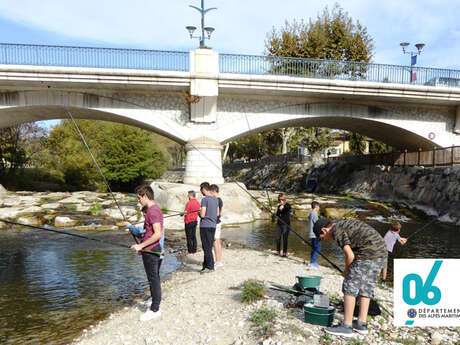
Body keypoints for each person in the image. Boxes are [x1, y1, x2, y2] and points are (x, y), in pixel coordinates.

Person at [314, 218, 387, 337]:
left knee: (349, 287)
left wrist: (346, 271)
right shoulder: (342, 224)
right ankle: (361, 324)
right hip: (380, 253)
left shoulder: (336, 230)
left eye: (322, 238)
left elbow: (350, 255)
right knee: (365, 288)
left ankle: (346, 326)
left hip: (367, 253)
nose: (324, 241)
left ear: (324, 230)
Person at [130, 185, 164, 321]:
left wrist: (141, 246)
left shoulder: (153, 211)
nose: (139, 201)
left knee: (153, 279)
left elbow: (157, 234)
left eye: (139, 198)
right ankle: (154, 302)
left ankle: (155, 309)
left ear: (145, 196)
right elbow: (150, 233)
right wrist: (142, 248)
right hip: (150, 250)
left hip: (151, 251)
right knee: (153, 278)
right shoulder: (153, 210)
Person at [199, 182, 219, 274]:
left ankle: (210, 267)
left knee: (206, 247)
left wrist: (198, 213)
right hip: (213, 226)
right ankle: (205, 265)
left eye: (201, 190)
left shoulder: (205, 200)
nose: (201, 192)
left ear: (204, 189)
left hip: (205, 226)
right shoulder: (216, 199)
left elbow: (202, 214)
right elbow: (218, 213)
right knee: (209, 246)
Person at [380, 221, 407, 287]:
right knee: (384, 266)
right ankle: (383, 281)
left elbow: (399, 238)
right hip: (385, 251)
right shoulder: (397, 235)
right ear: (398, 230)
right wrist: (405, 240)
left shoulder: (389, 231)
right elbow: (402, 243)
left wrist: (402, 239)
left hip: (380, 247)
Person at [184, 190, 200, 255]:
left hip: (188, 221)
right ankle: (194, 250)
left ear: (190, 195)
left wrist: (181, 213)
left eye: (188, 195)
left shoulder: (189, 203)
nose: (187, 196)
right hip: (195, 221)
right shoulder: (197, 202)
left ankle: (190, 251)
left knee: (189, 237)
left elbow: (185, 212)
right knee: (193, 236)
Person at [210, 184, 223, 268]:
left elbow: (217, 213)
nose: (210, 194)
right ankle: (219, 260)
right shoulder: (220, 199)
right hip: (218, 221)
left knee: (215, 242)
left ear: (214, 191)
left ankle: (218, 261)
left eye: (211, 192)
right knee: (217, 242)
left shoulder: (216, 200)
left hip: (215, 222)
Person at [275, 193, 291, 257]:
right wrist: (276, 212)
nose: (281, 201)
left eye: (282, 200)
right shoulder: (279, 206)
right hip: (279, 224)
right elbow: (277, 215)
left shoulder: (288, 205)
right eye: (279, 200)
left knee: (285, 239)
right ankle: (278, 251)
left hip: (286, 225)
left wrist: (283, 207)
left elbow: (287, 209)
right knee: (277, 238)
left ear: (285, 200)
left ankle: (284, 253)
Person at [308, 201, 321, 268]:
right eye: (319, 207)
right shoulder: (314, 214)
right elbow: (317, 224)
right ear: (316, 207)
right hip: (315, 234)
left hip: (311, 233)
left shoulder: (310, 213)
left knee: (313, 248)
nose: (319, 208)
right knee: (318, 248)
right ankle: (312, 262)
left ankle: (311, 261)